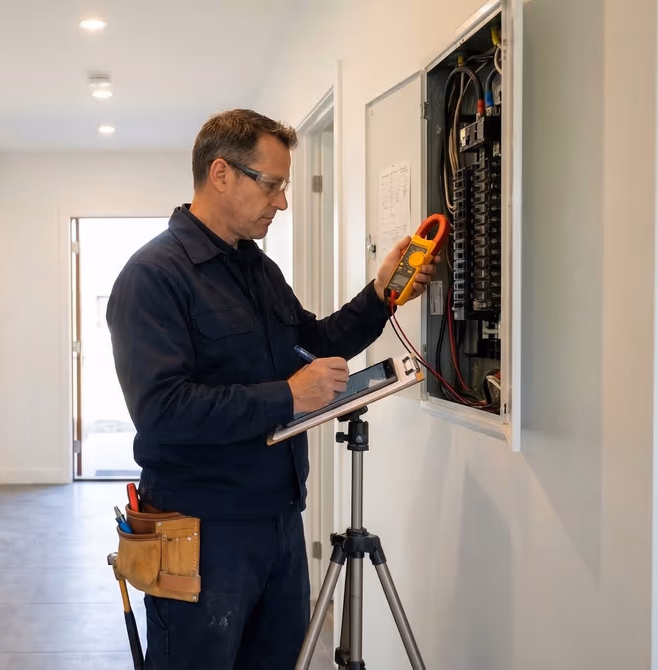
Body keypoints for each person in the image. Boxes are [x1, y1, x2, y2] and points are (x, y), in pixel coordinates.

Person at [105, 109, 438, 670]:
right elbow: (162, 410)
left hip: (279, 522)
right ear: (221, 174)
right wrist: (288, 396)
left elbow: (312, 344)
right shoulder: (153, 276)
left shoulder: (257, 270)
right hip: (202, 531)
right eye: (273, 184)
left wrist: (381, 293)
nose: (282, 202)